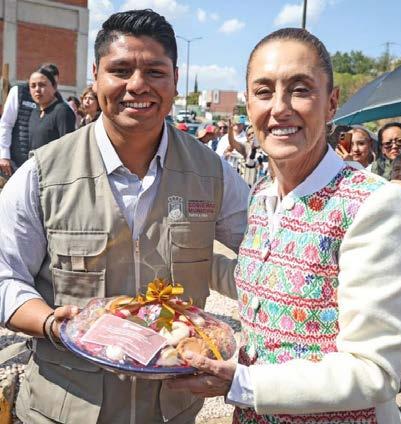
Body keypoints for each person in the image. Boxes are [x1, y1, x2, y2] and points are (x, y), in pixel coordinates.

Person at [0, 9, 249, 424]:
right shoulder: (42, 174)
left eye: (155, 71)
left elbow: (268, 259)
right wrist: (50, 324)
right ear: (95, 76)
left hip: (171, 412)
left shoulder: (213, 174)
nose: (137, 85)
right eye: (120, 70)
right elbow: (5, 276)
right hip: (62, 409)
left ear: (175, 79)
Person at [170, 27, 401, 424]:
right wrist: (176, 253)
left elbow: (373, 370)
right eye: (264, 92)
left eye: (300, 90)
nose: (280, 107)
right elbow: (265, 287)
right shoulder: (262, 195)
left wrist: (243, 383)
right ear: (248, 104)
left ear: (331, 103)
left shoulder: (374, 204)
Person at [28, 67, 76, 149]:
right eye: (33, 86)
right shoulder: (35, 112)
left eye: (42, 85)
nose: (37, 89)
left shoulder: (62, 111)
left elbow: (68, 148)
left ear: (54, 87)